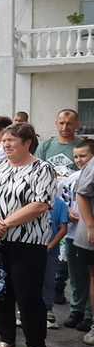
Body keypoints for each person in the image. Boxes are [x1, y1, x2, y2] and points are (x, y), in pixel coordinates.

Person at [0, 122, 56, 347]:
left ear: (27, 143)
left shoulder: (42, 169)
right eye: (4, 141)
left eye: (11, 140)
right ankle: (6, 337)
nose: (6, 144)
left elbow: (40, 204)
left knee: (27, 292)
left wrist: (5, 223)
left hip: (27, 242)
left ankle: (36, 345)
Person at [36, 109, 82, 307]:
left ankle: (61, 286)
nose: (65, 127)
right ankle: (53, 287)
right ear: (56, 123)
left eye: (69, 123)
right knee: (53, 245)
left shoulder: (82, 146)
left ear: (77, 125)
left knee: (69, 251)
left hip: (76, 206)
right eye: (61, 123)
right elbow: (37, 172)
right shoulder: (46, 146)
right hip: (51, 205)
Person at [62, 139, 94, 332]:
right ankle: (77, 310)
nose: (79, 160)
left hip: (86, 234)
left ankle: (89, 314)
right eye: (76, 156)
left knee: (89, 274)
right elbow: (63, 200)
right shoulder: (71, 178)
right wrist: (67, 212)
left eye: (83, 155)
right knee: (76, 274)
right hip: (74, 233)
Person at [42, 195, 68, 328]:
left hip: (51, 251)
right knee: (30, 281)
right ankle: (25, 311)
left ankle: (47, 309)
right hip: (31, 248)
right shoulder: (30, 200)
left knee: (49, 281)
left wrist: (50, 246)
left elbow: (63, 229)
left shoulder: (60, 203)